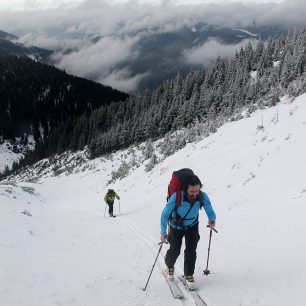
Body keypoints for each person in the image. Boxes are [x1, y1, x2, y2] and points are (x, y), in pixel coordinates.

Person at [160, 174, 216, 290]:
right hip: (176, 227)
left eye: (197, 190)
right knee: (175, 250)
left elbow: (210, 210)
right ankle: (169, 267)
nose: (195, 194)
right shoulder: (177, 196)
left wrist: (212, 219)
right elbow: (165, 214)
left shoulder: (202, 196)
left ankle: (189, 274)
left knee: (191, 251)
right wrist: (163, 232)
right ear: (186, 188)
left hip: (192, 227)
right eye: (191, 191)